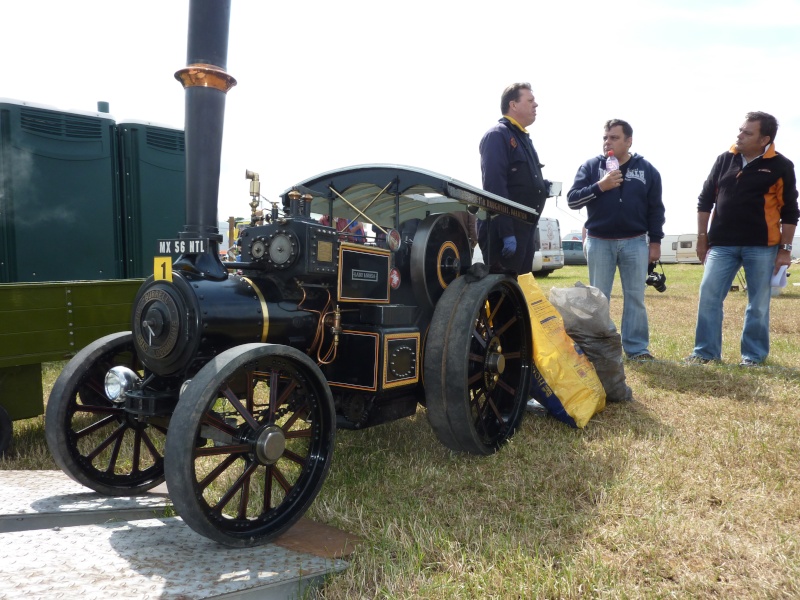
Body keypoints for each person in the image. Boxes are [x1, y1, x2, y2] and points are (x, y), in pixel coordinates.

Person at [686, 111, 798, 367]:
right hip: (721, 245)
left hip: (762, 246)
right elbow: (704, 201)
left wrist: (785, 249)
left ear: (764, 139)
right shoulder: (725, 159)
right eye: (740, 130)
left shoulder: (781, 165)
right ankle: (705, 353)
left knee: (757, 304)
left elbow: (790, 211)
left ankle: (753, 357)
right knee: (709, 295)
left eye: (748, 132)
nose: (740, 135)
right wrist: (702, 238)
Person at [567, 119, 665, 361]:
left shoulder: (647, 170)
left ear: (628, 141)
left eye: (613, 138)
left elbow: (655, 209)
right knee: (599, 299)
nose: (607, 142)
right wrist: (600, 186)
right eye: (605, 137)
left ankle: (637, 349)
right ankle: (600, 350)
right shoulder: (591, 167)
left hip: (635, 241)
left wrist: (655, 242)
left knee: (635, 297)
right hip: (600, 241)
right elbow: (572, 199)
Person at [477, 82, 550, 275]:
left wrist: (541, 187)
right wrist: (507, 233)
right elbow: (495, 187)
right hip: (505, 233)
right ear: (514, 105)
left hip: (525, 230)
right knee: (504, 294)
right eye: (530, 100)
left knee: (520, 293)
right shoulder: (497, 136)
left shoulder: (523, 138)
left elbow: (519, 182)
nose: (536, 105)